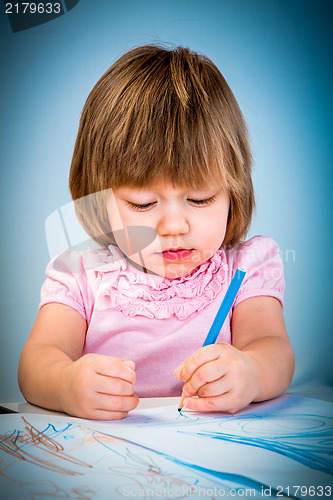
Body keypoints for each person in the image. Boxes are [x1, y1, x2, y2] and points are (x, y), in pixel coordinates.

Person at [18, 45, 295, 420]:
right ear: (99, 201)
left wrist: (251, 372)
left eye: (199, 199)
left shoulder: (246, 268)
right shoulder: (80, 275)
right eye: (143, 204)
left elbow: (272, 348)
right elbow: (36, 362)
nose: (174, 227)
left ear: (234, 192)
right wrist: (65, 383)